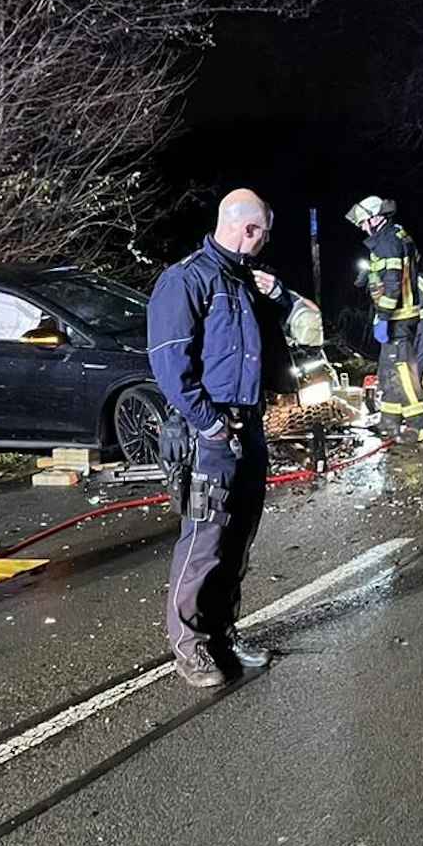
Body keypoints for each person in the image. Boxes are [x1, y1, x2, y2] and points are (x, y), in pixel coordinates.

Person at [148, 189, 292, 687]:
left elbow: (275, 337)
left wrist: (278, 297)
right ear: (249, 229)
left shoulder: (242, 279)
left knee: (237, 540)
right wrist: (209, 422)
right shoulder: (187, 280)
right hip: (209, 433)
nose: (266, 242)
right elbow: (171, 365)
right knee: (203, 540)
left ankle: (222, 636)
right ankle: (190, 648)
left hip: (247, 426)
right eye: (264, 233)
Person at [347, 195, 423, 441]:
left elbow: (393, 284)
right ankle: (389, 421)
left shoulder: (387, 242)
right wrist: (368, 275)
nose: (362, 227)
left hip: (399, 317)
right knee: (388, 371)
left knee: (403, 371)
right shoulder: (393, 236)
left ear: (376, 218)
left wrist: (383, 316)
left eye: (364, 222)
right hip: (398, 315)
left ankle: (418, 424)